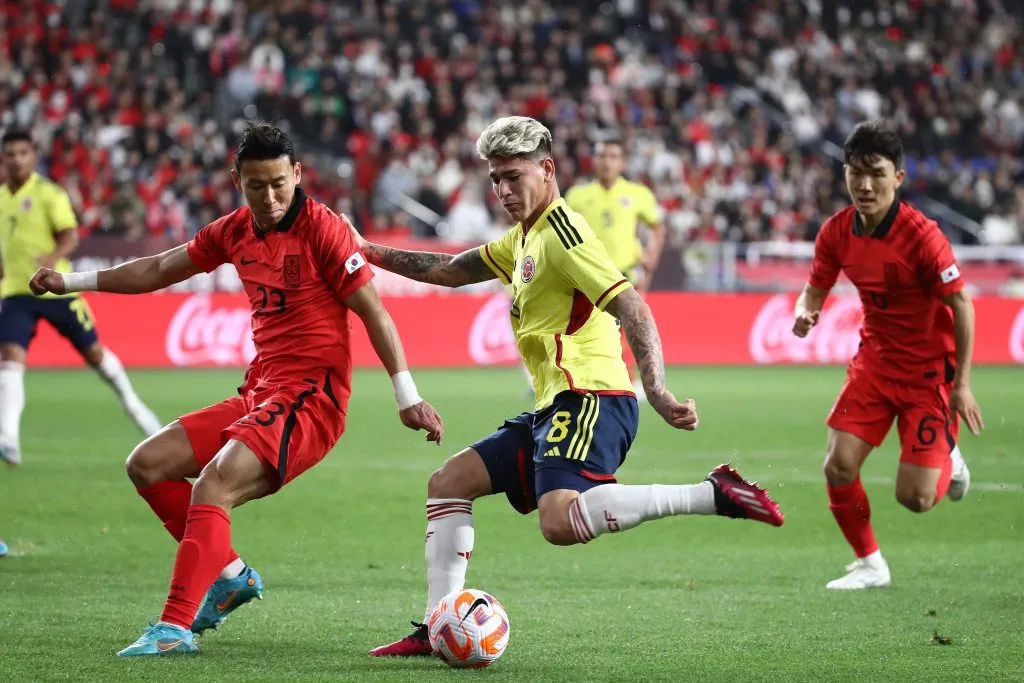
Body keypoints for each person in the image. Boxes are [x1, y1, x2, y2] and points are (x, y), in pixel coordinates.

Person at [354, 116, 784, 657]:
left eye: (513, 177)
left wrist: (656, 388)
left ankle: (710, 494)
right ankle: (437, 624)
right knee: (448, 482)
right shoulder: (523, 238)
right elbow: (451, 270)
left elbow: (634, 307)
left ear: (547, 169)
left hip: (592, 398)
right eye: (495, 180)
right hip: (554, 405)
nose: (504, 191)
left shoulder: (564, 235)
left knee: (558, 521)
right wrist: (369, 250)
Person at [30, 122, 445, 656]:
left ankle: (174, 627)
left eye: (279, 183)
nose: (270, 197)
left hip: (311, 399)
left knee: (212, 483)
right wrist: (72, 281)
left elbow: (375, 312)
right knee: (147, 463)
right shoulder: (232, 231)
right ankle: (228, 575)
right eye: (256, 185)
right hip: (261, 390)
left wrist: (405, 394)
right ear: (236, 181)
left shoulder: (323, 229)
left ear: (297, 174)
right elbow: (158, 268)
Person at [792, 120, 983, 591]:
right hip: (875, 363)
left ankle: (950, 458)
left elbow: (962, 304)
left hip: (928, 375)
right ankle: (870, 564)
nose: (864, 184)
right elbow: (814, 289)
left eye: (876, 172)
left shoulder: (924, 237)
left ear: (898, 177)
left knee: (915, 499)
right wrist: (805, 313)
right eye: (855, 172)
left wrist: (960, 385)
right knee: (837, 465)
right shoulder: (836, 232)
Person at [0, 129, 161, 465]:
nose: (17, 160)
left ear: (33, 155)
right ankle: (9, 438)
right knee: (10, 358)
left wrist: (51, 257)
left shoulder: (48, 193)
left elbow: (71, 237)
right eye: (10, 153)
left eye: (23, 153)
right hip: (16, 292)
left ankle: (134, 405)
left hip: (56, 288)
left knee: (95, 355)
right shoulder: (1, 197)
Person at [565, 138, 663, 399]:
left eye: (612, 156)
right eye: (601, 156)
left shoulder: (637, 193)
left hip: (626, 273)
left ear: (622, 162)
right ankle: (593, 382)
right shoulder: (577, 196)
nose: (606, 161)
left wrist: (651, 253)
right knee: (589, 332)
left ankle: (640, 382)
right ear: (593, 161)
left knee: (634, 328)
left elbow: (656, 226)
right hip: (589, 274)